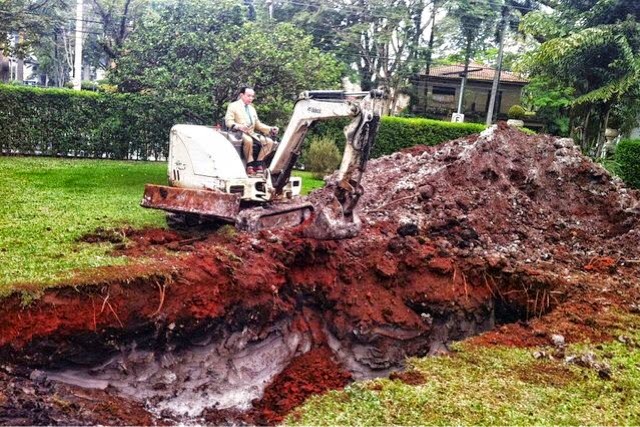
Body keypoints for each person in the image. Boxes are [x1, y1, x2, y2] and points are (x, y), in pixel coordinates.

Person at [225, 87, 279, 175]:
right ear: (241, 95)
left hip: (251, 133)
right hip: (238, 133)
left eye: (252, 96)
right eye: (249, 96)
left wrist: (270, 129)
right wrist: (239, 126)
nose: (251, 98)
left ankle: (258, 163)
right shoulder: (233, 106)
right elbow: (228, 121)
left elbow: (258, 124)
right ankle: (249, 165)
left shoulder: (252, 108)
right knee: (248, 140)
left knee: (269, 142)